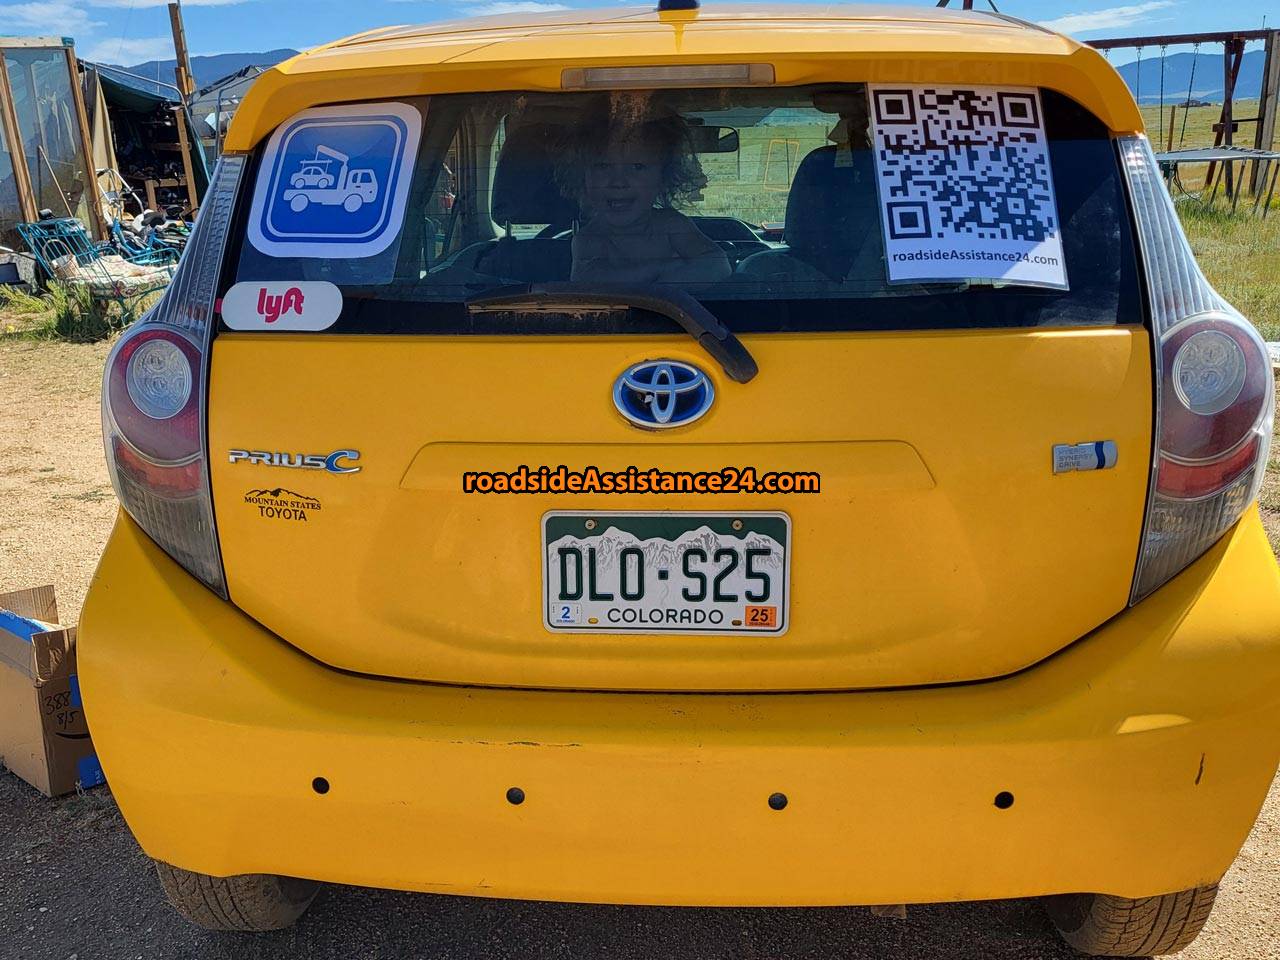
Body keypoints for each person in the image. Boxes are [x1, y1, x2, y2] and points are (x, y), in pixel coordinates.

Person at [559, 97, 731, 284]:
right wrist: (661, 270)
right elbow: (587, 282)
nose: (619, 182)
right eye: (603, 166)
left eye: (637, 166)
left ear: (662, 178)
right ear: (584, 178)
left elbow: (717, 265)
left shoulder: (672, 225)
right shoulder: (588, 239)